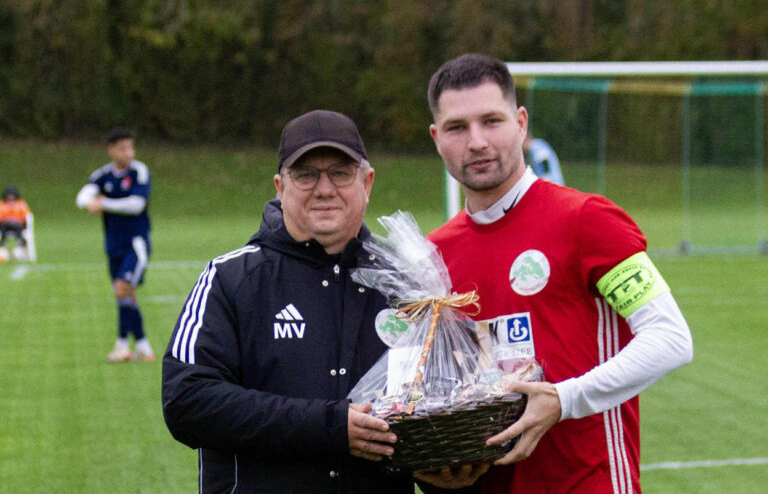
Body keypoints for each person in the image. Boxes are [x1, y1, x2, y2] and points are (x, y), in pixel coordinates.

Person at [421, 54, 693, 493]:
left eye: (492, 121)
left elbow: (670, 338)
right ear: (436, 138)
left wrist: (564, 400)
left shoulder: (589, 219)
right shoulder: (434, 255)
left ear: (521, 123)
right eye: (457, 127)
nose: (476, 142)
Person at [161, 110, 458, 494]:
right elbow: (187, 401)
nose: (324, 189)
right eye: (305, 175)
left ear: (367, 183)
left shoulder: (408, 287)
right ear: (280, 187)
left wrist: (450, 475)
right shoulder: (229, 279)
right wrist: (330, 427)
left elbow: (444, 405)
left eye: (340, 172)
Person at [75, 127, 155, 362]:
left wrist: (104, 203)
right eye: (122, 148)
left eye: (131, 147)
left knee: (122, 289)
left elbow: (137, 205)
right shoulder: (102, 175)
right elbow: (82, 196)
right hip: (113, 244)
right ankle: (143, 347)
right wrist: (90, 202)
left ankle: (122, 345)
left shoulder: (139, 171)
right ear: (111, 150)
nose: (128, 153)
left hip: (135, 244)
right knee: (126, 295)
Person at [0, 186, 32, 263]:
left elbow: (26, 215)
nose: (10, 197)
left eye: (12, 195)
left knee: (18, 227)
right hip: (5, 225)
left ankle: (21, 244)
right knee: (3, 227)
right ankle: (3, 243)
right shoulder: (2, 204)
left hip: (17, 225)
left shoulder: (21, 204)